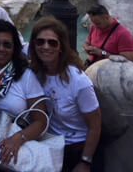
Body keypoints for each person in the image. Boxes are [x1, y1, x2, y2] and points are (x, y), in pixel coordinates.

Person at [30, 17, 101, 172]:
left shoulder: (79, 81)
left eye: (52, 42)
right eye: (40, 42)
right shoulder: (34, 73)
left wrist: (85, 161)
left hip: (76, 148)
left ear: (61, 46)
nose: (45, 46)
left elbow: (95, 125)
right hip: (49, 145)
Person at [0, 20, 48, 168]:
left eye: (7, 44)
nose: (0, 49)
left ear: (14, 48)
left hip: (12, 153)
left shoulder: (26, 76)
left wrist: (18, 138)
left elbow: (41, 121)